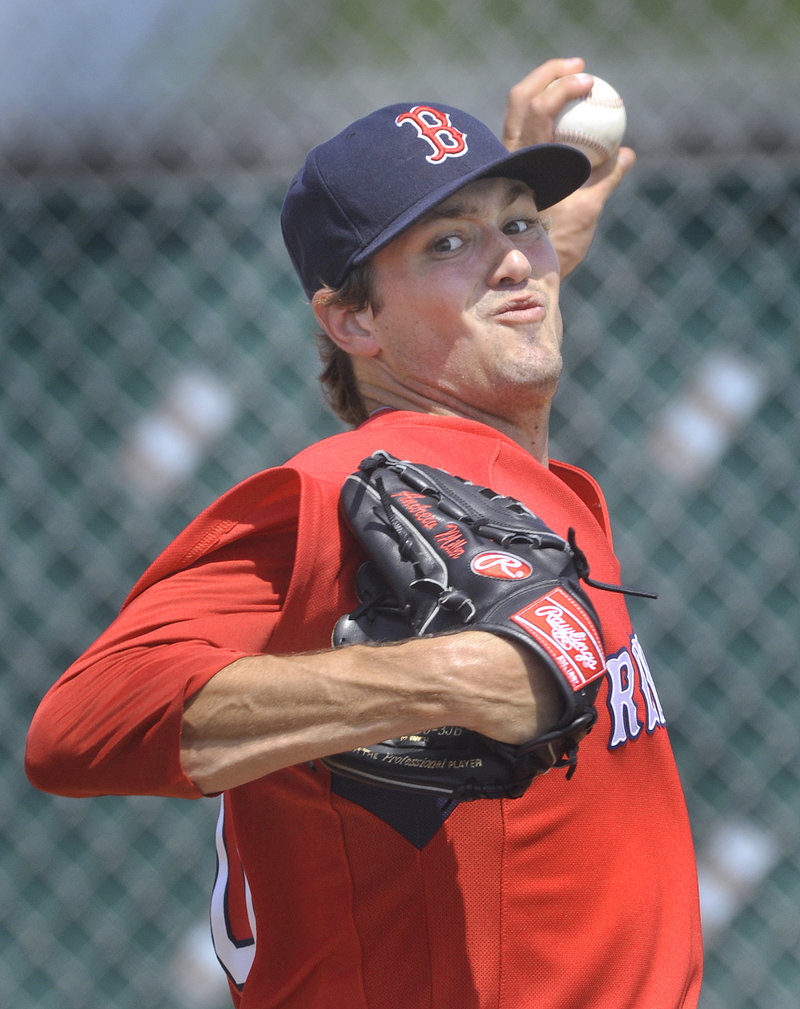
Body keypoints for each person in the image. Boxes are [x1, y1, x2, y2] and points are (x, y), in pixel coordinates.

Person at [26, 57, 703, 1009]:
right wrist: (445, 677)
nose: (515, 258)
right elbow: (78, 724)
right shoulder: (349, 491)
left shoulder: (513, 478)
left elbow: (492, 299)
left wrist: (505, 256)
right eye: (445, 245)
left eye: (520, 224)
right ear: (350, 320)